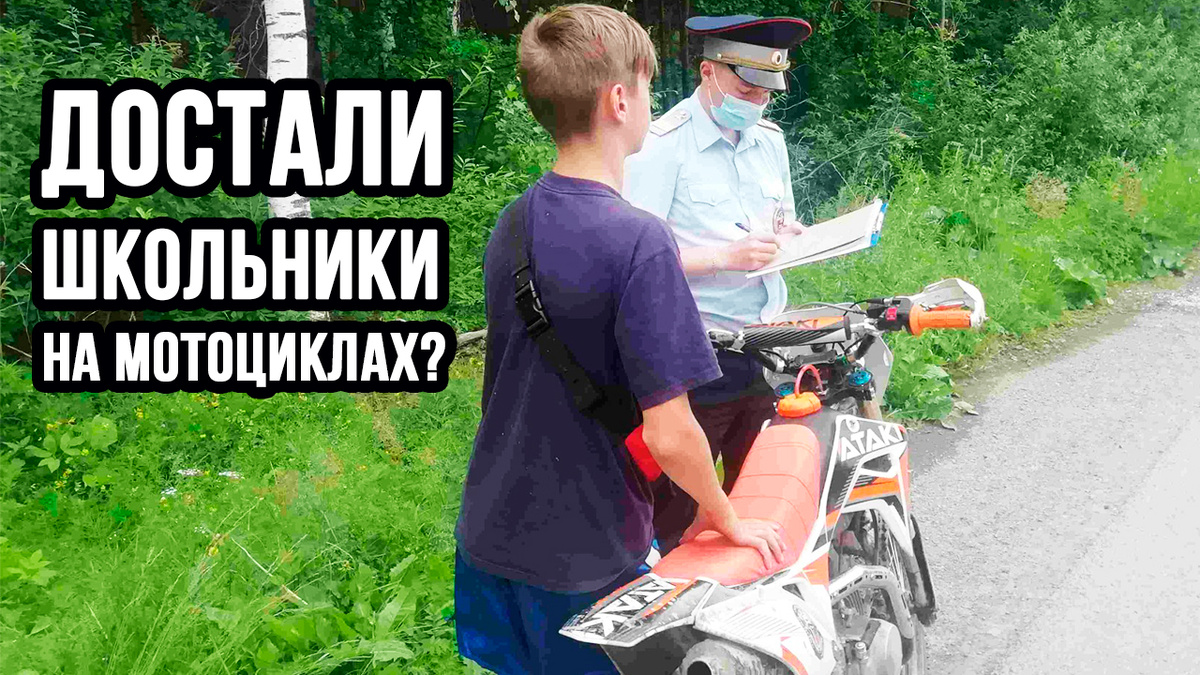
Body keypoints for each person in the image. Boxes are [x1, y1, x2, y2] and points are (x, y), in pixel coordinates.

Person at [453, 6, 786, 675]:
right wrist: (724, 514)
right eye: (647, 85)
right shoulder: (639, 239)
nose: (652, 103)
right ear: (619, 100)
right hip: (585, 550)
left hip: (488, 535)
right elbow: (671, 433)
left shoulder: (512, 221)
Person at [622, 14, 814, 554]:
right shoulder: (661, 146)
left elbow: (780, 219)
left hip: (767, 347)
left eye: (767, 92)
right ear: (708, 71)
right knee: (678, 513)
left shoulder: (768, 141)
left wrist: (793, 236)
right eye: (746, 88)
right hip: (696, 358)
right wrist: (722, 258)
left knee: (763, 497)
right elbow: (634, 261)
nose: (757, 102)